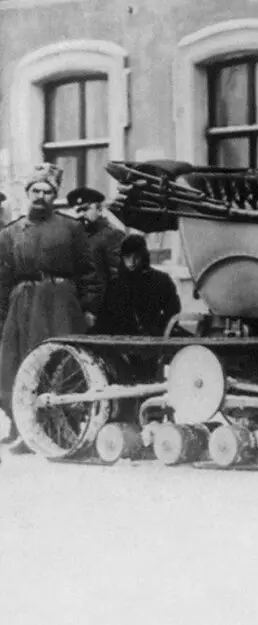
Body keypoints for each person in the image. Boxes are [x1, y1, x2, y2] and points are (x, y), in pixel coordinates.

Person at [0, 164, 102, 453]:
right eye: (36, 190)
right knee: (16, 366)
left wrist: (89, 308)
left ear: (54, 195)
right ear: (28, 193)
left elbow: (89, 272)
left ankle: (64, 428)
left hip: (60, 306)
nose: (41, 196)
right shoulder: (10, 233)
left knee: (61, 366)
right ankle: (22, 429)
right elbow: (2, 279)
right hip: (23, 307)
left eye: (47, 191)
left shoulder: (71, 229)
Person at [95, 234, 181, 337]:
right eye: (128, 257)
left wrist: (158, 331)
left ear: (143, 256)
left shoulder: (161, 281)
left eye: (136, 256)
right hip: (121, 340)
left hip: (153, 339)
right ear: (122, 258)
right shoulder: (115, 285)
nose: (132, 261)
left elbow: (173, 313)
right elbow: (104, 320)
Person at [66, 186, 124, 307]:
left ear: (99, 209)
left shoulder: (112, 235)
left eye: (86, 209)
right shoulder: (75, 236)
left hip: (104, 306)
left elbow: (118, 276)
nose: (81, 215)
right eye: (78, 211)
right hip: (78, 304)